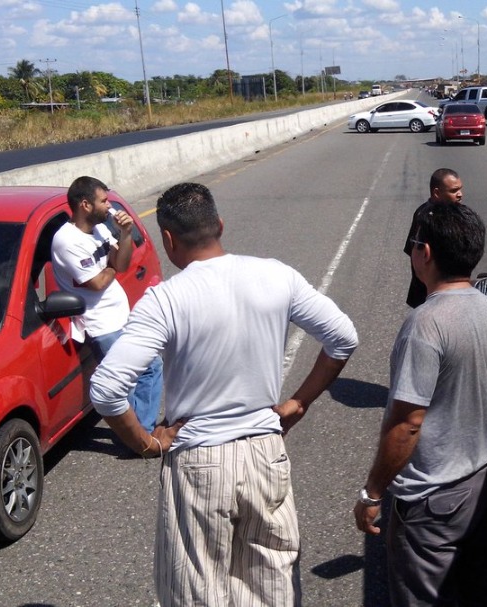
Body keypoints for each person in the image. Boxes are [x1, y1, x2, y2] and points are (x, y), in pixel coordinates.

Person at [89, 182, 358, 606]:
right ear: (219, 225)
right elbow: (343, 337)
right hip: (266, 453)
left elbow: (106, 389)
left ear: (168, 239)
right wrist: (297, 403)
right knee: (273, 585)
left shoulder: (165, 300)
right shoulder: (276, 274)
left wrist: (145, 444)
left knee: (200, 592)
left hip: (200, 459)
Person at [355, 204, 487, 606]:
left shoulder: (425, 324)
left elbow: (408, 423)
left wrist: (374, 492)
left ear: (424, 253)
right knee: (478, 585)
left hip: (432, 497)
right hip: (478, 479)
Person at [51, 175, 164, 432]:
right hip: (101, 324)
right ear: (85, 205)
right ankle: (141, 434)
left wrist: (124, 234)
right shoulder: (67, 241)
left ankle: (140, 431)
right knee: (138, 374)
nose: (109, 207)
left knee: (145, 370)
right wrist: (112, 266)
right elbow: (98, 282)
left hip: (120, 316)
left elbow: (121, 264)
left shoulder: (100, 228)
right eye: (103, 201)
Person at [404, 168, 464, 308]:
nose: (460, 194)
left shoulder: (456, 212)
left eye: (460, 189)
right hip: (432, 294)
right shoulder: (426, 217)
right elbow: (415, 252)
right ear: (437, 193)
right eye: (454, 191)